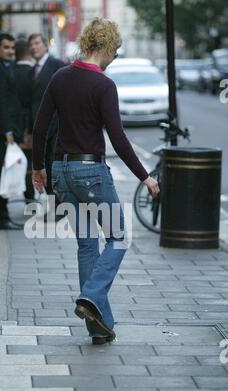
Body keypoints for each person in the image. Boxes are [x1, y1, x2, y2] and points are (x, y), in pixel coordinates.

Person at [32, 18, 160, 345]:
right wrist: (144, 176)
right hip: (91, 173)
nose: (115, 57)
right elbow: (117, 138)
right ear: (103, 47)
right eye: (115, 51)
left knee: (88, 245)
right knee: (118, 237)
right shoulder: (104, 85)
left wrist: (38, 168)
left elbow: (41, 126)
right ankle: (90, 295)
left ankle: (98, 327)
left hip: (62, 171)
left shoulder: (60, 77)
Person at [0, 33, 25, 230]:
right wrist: (7, 131)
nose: (10, 51)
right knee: (1, 175)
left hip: (4, 132)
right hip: (0, 134)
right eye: (6, 47)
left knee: (4, 174)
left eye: (12, 47)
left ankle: (2, 216)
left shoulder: (2, 67)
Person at [26, 33, 65, 218]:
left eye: (37, 43)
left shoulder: (57, 65)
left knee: (52, 164)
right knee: (43, 165)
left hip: (56, 124)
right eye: (31, 44)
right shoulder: (31, 70)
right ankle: (53, 205)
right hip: (39, 125)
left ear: (45, 45)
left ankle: (59, 206)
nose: (34, 47)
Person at [14, 39, 35, 201]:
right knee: (31, 161)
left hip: (14, 123)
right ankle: (30, 195)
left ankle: (27, 195)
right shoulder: (33, 73)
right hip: (30, 123)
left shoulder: (10, 71)